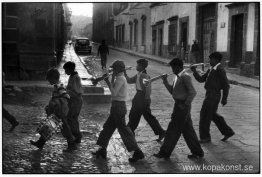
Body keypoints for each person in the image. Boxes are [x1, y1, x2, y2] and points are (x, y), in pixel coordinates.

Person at [92, 60, 144, 163]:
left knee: (124, 131)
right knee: (108, 128)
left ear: (118, 69)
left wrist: (107, 81)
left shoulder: (120, 79)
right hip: (116, 107)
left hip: (118, 107)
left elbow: (114, 93)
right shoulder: (118, 78)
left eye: (114, 69)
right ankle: (102, 149)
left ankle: (137, 152)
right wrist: (111, 79)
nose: (112, 70)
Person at [154, 58, 204, 159]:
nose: (172, 70)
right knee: (188, 130)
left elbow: (192, 92)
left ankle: (164, 152)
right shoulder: (177, 77)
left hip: (182, 106)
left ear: (179, 67)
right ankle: (198, 152)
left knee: (172, 129)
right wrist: (165, 81)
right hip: (178, 105)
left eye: (173, 67)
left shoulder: (185, 76)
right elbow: (172, 92)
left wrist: (185, 105)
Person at [190, 52, 235, 143]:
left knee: (205, 115)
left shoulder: (220, 70)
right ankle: (228, 132)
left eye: (211, 59)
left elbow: (226, 85)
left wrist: (224, 98)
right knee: (213, 115)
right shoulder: (211, 69)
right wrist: (194, 71)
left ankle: (205, 137)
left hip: (214, 96)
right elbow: (201, 79)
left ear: (217, 60)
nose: (209, 61)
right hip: (209, 95)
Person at [30, 68, 77, 152]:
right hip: (58, 111)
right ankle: (40, 143)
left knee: (64, 128)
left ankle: (72, 144)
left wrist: (57, 104)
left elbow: (66, 96)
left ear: (54, 78)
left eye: (49, 79)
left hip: (60, 111)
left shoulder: (59, 86)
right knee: (50, 126)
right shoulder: (57, 86)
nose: (48, 81)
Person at [124, 59, 165, 141]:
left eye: (138, 65)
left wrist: (146, 101)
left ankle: (161, 132)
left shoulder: (144, 76)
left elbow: (148, 89)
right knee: (134, 115)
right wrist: (124, 72)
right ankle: (130, 132)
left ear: (142, 66)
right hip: (138, 96)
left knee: (146, 116)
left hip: (143, 98)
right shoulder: (138, 74)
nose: (136, 66)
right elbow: (129, 81)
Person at [63, 61, 83, 144]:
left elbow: (76, 91)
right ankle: (76, 136)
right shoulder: (72, 76)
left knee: (71, 118)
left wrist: (65, 92)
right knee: (73, 119)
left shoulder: (75, 78)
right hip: (74, 100)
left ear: (70, 69)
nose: (65, 72)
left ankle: (77, 135)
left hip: (75, 100)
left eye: (66, 70)